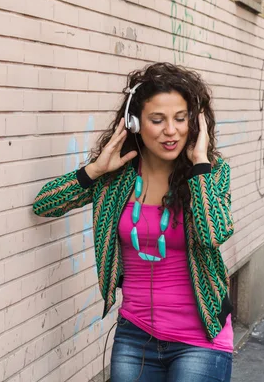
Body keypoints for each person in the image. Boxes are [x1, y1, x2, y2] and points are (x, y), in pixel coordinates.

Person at [32, 62, 235, 381]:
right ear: (134, 123)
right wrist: (95, 170)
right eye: (158, 120)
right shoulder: (117, 178)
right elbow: (46, 204)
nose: (172, 130)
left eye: (181, 119)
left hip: (201, 340)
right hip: (134, 336)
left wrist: (199, 166)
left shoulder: (211, 174)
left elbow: (214, 232)